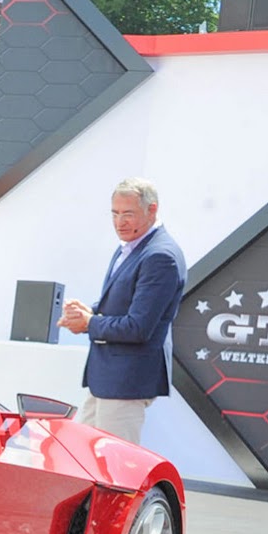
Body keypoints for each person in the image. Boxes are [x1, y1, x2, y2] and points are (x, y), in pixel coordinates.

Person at [57, 177, 187, 445]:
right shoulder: (130, 247)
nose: (119, 222)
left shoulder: (160, 256)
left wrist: (89, 323)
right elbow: (122, 305)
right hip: (107, 379)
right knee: (81, 453)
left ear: (152, 210)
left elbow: (138, 327)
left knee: (114, 462)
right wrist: (89, 311)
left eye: (128, 214)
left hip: (126, 381)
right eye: (114, 214)